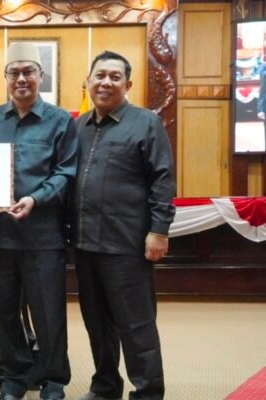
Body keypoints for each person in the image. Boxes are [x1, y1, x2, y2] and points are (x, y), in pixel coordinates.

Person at [0, 42, 77, 400]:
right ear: (5, 78)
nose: (21, 79)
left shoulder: (60, 120)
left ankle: (53, 381)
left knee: (48, 312)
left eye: (28, 72)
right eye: (14, 72)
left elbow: (66, 172)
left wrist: (36, 198)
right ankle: (12, 380)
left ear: (40, 76)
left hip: (43, 236)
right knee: (3, 311)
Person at [72, 50, 176, 400]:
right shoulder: (78, 127)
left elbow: (163, 180)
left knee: (136, 325)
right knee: (97, 324)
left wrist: (159, 231)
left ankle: (148, 392)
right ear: (88, 82)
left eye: (114, 77)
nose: (106, 82)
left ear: (127, 85)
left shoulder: (145, 123)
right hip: (85, 243)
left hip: (127, 244)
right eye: (99, 75)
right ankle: (105, 386)